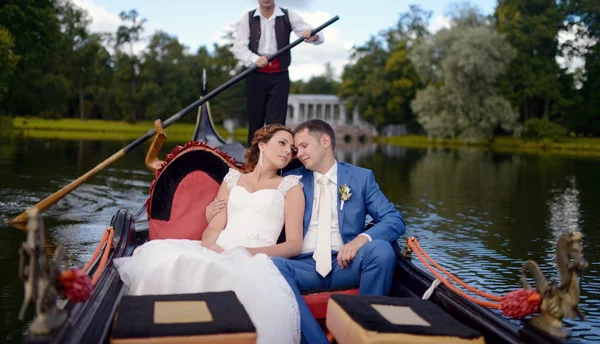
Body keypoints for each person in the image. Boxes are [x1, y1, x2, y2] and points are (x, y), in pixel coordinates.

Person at [114, 124, 305, 344]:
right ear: (262, 145)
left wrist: (246, 252)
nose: (287, 151)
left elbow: (294, 245)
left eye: (291, 148)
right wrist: (208, 245)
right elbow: (215, 226)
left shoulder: (290, 187)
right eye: (282, 143)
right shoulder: (232, 179)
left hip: (256, 257)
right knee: (162, 259)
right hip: (219, 247)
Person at [231, 0, 325, 147]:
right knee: (255, 121)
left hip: (280, 76)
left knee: (276, 125)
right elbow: (239, 48)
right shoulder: (247, 18)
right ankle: (252, 162)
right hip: (255, 75)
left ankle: (275, 162)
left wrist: (314, 36)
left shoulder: (288, 15)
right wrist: (255, 59)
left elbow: (316, 34)